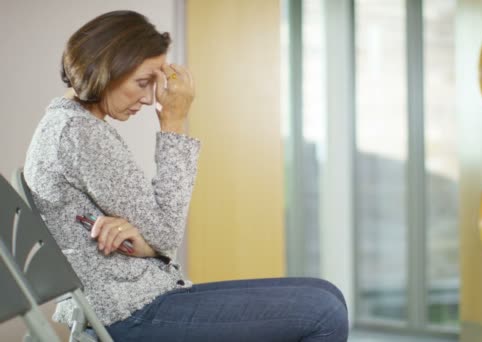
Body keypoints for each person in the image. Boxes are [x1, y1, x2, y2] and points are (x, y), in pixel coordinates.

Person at [24, 10, 348, 342]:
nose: (150, 98)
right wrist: (174, 123)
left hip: (134, 299)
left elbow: (156, 233)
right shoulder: (81, 134)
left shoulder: (66, 123)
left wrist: (149, 242)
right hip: (131, 311)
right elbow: (165, 235)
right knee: (324, 310)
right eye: (142, 82)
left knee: (326, 293)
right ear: (107, 68)